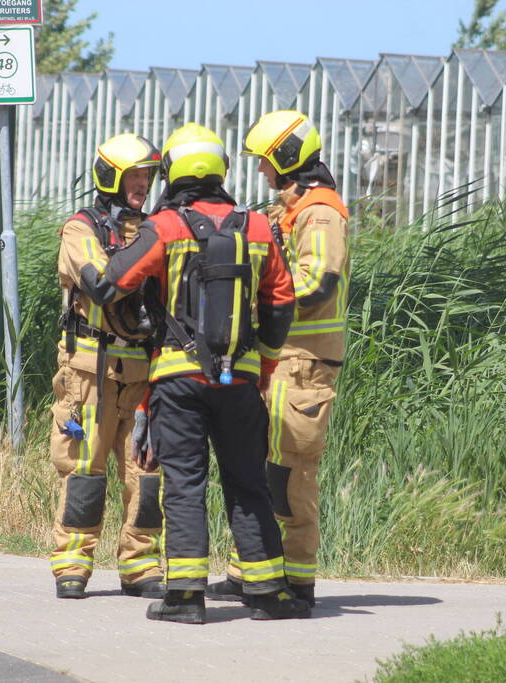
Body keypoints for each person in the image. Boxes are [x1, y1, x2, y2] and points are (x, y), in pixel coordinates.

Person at [100, 122, 309, 623]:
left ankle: (186, 597)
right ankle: (265, 593)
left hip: (178, 379)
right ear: (221, 169)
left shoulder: (166, 225)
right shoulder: (257, 226)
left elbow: (114, 281)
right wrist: (264, 365)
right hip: (240, 379)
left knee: (185, 484)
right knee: (248, 483)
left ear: (172, 171)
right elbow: (281, 304)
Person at [209, 111, 349, 608]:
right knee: (257, 466)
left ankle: (296, 582)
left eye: (267, 164)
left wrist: (258, 296)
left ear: (288, 158)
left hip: (305, 365)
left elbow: (316, 283)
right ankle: (249, 571)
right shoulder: (291, 210)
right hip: (281, 360)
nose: (263, 174)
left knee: (290, 474)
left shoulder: (320, 213)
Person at [49, 133, 165, 600]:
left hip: (142, 371)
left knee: (146, 473)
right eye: (134, 175)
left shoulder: (155, 227)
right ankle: (73, 563)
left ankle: (140, 565)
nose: (142, 184)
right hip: (89, 371)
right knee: (84, 468)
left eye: (148, 176)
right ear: (111, 177)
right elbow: (103, 284)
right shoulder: (81, 229)